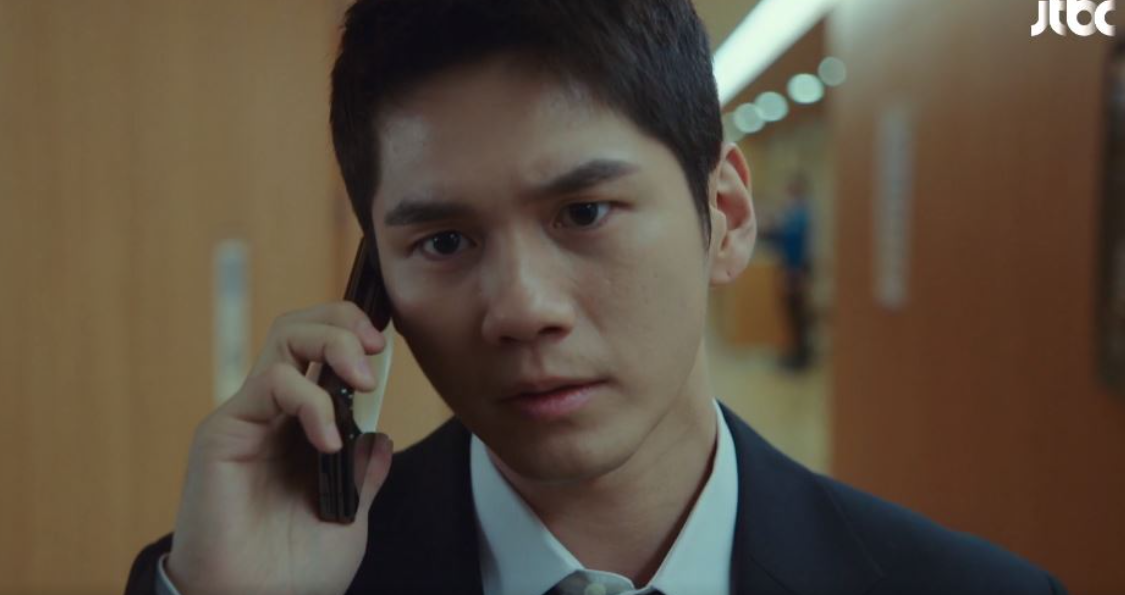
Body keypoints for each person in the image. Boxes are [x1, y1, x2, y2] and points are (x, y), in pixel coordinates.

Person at [125, 1, 1067, 594]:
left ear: (725, 215)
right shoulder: (278, 577)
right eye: (443, 241)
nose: (521, 307)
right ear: (376, 287)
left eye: (583, 213)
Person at [761, 175, 814, 371]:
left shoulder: (800, 215)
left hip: (796, 270)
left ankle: (800, 358)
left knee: (797, 314)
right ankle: (794, 354)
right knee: (792, 314)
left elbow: (793, 243)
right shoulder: (794, 214)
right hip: (792, 268)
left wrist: (794, 273)